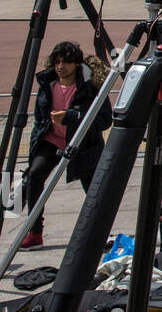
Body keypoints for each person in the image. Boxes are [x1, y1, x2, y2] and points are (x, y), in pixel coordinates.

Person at [22, 41, 112, 250]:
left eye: (67, 62)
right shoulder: (47, 85)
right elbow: (39, 118)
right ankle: (34, 232)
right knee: (35, 175)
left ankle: (101, 233)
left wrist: (71, 117)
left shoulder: (90, 88)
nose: (61, 66)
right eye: (57, 62)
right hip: (52, 140)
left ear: (77, 64)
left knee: (94, 191)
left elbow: (105, 120)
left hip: (83, 144)